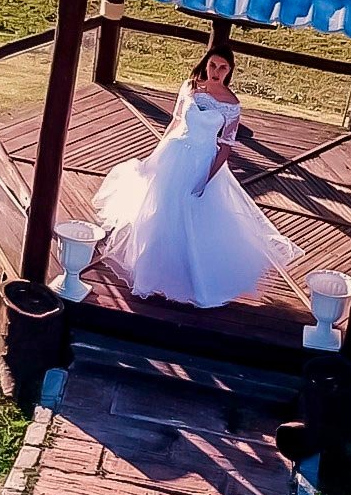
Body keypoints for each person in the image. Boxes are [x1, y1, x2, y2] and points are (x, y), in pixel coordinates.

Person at [93, 47, 303, 308]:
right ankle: (150, 270)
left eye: (222, 68)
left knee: (194, 222)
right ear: (206, 65)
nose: (216, 72)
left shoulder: (232, 105)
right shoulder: (190, 87)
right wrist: (155, 157)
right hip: (174, 155)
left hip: (202, 162)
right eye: (213, 65)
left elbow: (225, 146)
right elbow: (175, 124)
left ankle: (195, 279)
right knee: (159, 214)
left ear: (229, 71)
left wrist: (207, 179)